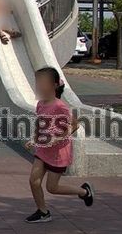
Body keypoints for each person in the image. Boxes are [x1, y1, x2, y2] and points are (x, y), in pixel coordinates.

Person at [24, 67, 94, 223]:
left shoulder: (60, 106)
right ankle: (43, 212)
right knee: (33, 181)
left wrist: (57, 138)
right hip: (43, 149)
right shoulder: (41, 104)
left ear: (54, 85)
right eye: (38, 83)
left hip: (58, 153)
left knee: (52, 188)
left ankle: (83, 192)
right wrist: (34, 139)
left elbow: (74, 125)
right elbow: (40, 123)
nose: (39, 87)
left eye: (43, 83)